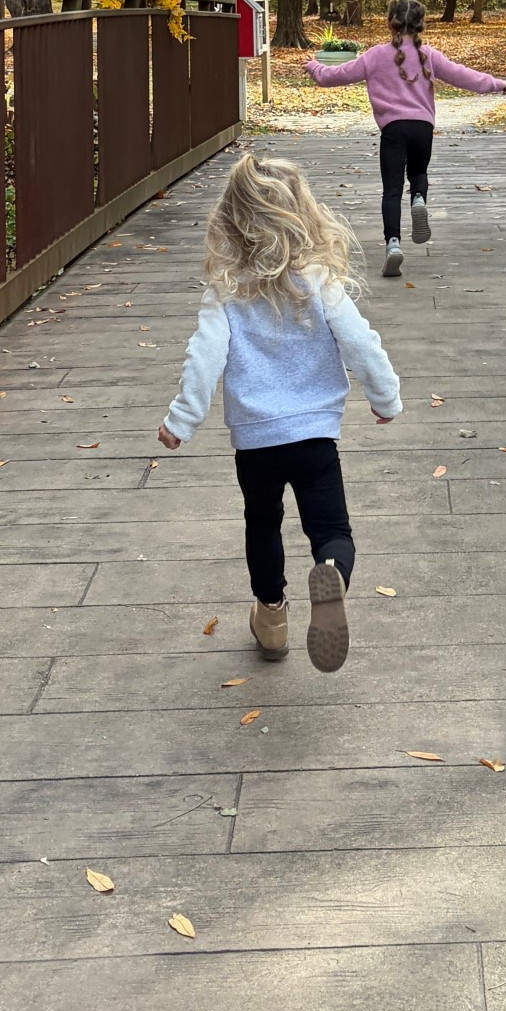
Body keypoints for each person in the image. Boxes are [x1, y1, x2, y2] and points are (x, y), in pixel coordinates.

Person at [156, 151, 403, 672]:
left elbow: (204, 358)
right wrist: (385, 398)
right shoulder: (320, 282)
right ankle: (331, 572)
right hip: (315, 437)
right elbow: (361, 343)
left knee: (262, 522)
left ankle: (271, 619)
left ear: (231, 221)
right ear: (303, 214)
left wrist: (182, 420)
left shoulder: (226, 291)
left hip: (256, 442)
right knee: (331, 529)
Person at [303, 0, 506, 277]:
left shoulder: (375, 56)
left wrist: (313, 66)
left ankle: (393, 245)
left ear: (390, 23)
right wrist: (496, 83)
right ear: (420, 24)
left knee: (391, 190)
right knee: (418, 172)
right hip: (422, 129)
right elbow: (462, 76)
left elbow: (335, 76)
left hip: (393, 129)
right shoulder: (429, 55)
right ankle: (419, 199)